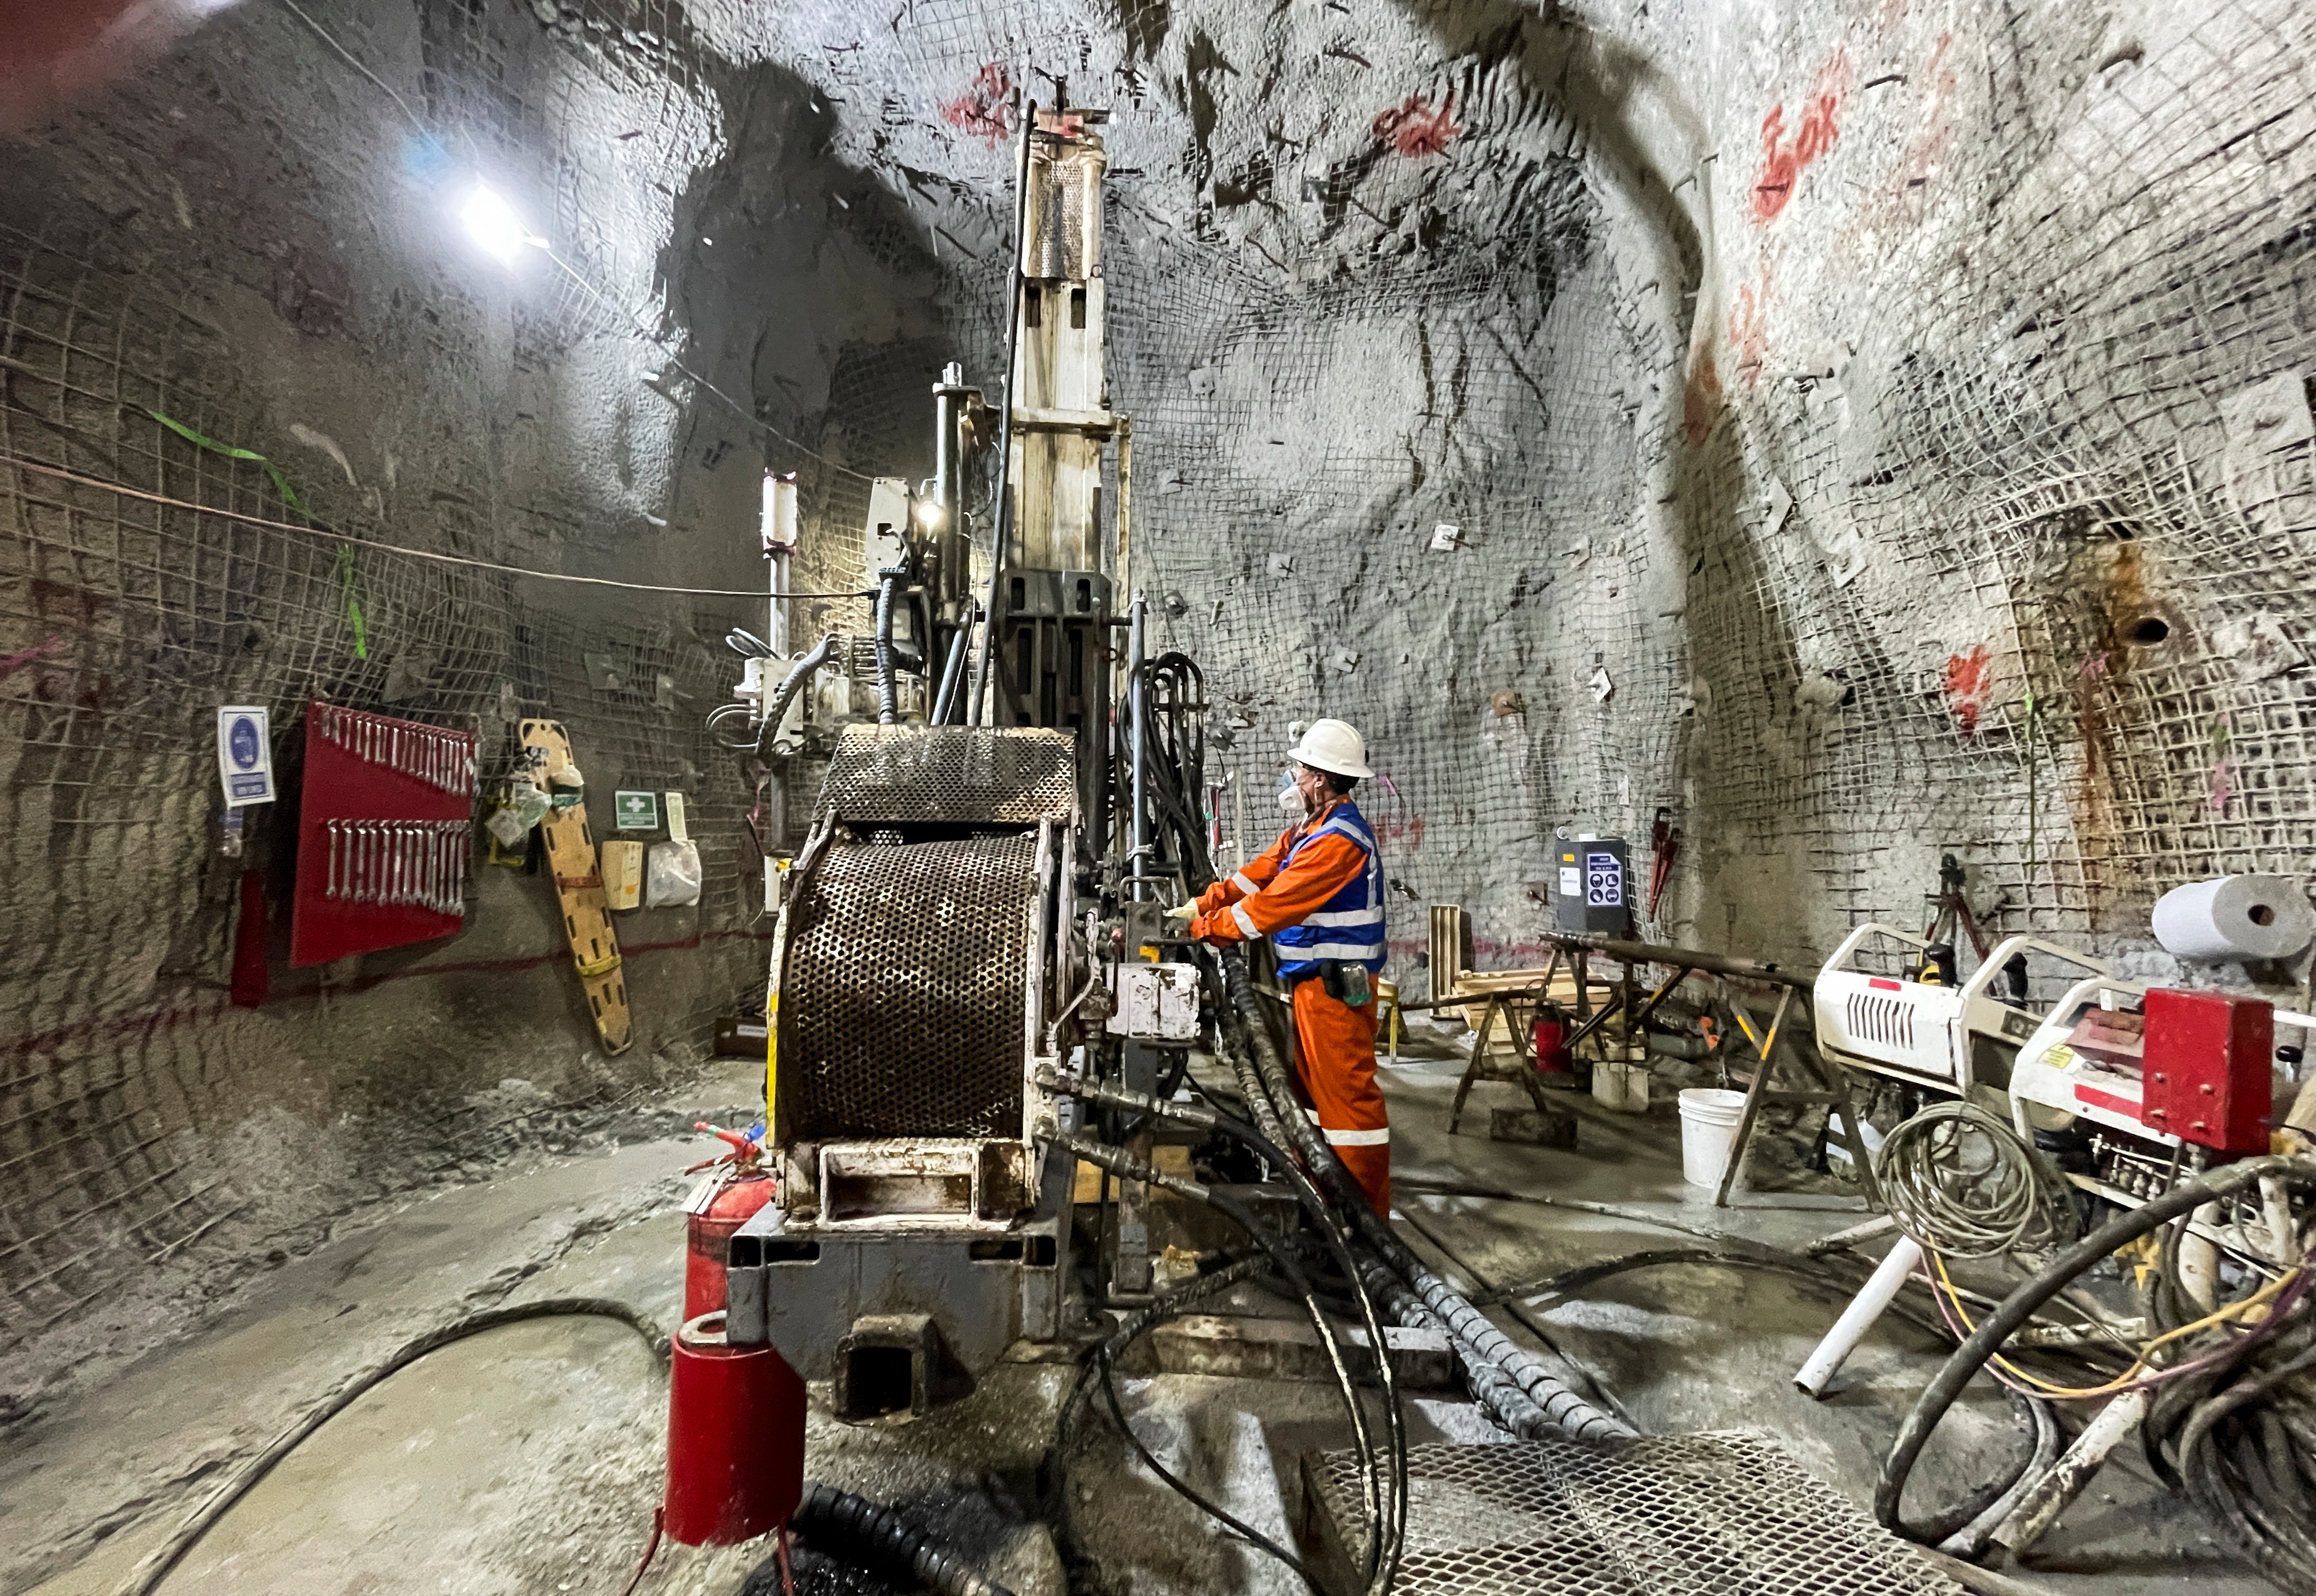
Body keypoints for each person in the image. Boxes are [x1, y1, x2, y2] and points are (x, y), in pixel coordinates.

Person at [1169, 719, 1391, 1215]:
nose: (1291, 775)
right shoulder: (1310, 830)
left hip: (1337, 991)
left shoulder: (1340, 841)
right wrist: (1200, 904)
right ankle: (1321, 1198)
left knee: (1349, 1109)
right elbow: (1257, 877)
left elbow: (1269, 909)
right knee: (1311, 1099)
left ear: (1319, 778)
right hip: (1312, 987)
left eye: (1298, 767)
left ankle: (1366, 1224)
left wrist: (1206, 930)